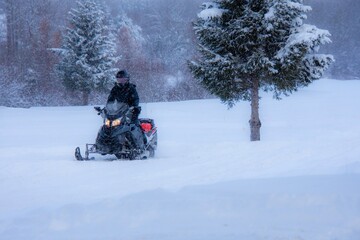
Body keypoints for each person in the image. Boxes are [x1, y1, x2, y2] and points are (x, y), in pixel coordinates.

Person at [107, 70, 145, 151]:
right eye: (119, 79)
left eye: (122, 79)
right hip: (118, 111)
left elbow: (136, 99)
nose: (121, 81)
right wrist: (107, 108)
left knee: (133, 125)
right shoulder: (115, 88)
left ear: (127, 79)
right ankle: (103, 144)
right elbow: (110, 99)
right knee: (108, 125)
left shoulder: (131, 88)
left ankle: (142, 144)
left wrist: (134, 107)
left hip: (131, 110)